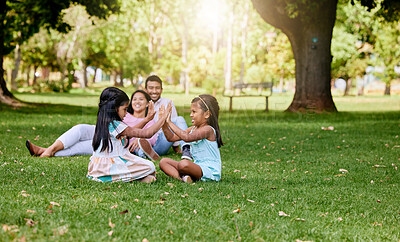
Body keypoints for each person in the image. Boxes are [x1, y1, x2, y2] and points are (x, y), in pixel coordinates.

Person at [26, 91, 158, 159]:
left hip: (116, 141)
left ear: (148, 103)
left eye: (141, 99)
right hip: (107, 130)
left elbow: (143, 135)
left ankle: (44, 151)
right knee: (80, 129)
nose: (137, 102)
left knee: (77, 148)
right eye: (135, 99)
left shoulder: (149, 120)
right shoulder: (125, 114)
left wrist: (147, 120)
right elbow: (124, 128)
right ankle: (49, 149)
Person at [87, 87, 171, 183]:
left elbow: (131, 132)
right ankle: (113, 177)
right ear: (115, 108)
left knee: (146, 166)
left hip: (103, 165)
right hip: (110, 166)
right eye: (125, 109)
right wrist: (163, 117)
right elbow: (147, 134)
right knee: (150, 166)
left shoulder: (106, 122)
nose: (126, 113)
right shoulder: (115, 125)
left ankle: (135, 177)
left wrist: (147, 119)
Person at [159, 94, 223, 183]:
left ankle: (186, 176)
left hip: (209, 170)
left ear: (207, 114)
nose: (191, 115)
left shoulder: (208, 130)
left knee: (184, 164)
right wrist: (164, 122)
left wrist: (169, 121)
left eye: (194, 112)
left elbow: (187, 138)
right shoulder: (193, 129)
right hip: (196, 166)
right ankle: (184, 179)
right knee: (163, 162)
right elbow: (171, 138)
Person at [144, 75, 192, 160]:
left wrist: (176, 147)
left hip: (162, 141)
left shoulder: (167, 102)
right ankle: (144, 151)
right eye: (151, 88)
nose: (154, 91)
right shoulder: (141, 103)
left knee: (179, 119)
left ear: (162, 90)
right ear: (145, 90)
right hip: (146, 142)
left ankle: (186, 148)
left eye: (157, 88)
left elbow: (175, 127)